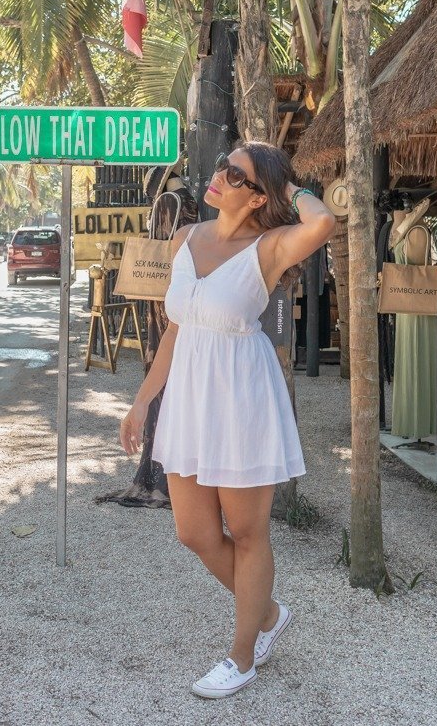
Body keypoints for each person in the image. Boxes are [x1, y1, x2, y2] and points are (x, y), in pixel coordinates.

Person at [119, 141, 335, 699]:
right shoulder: (185, 239)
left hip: (242, 399)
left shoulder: (268, 247)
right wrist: (143, 400)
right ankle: (266, 615)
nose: (218, 176)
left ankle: (242, 658)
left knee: (246, 531)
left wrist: (288, 187)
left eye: (234, 173)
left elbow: (324, 222)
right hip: (190, 398)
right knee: (192, 531)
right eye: (222, 165)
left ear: (259, 193)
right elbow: (177, 327)